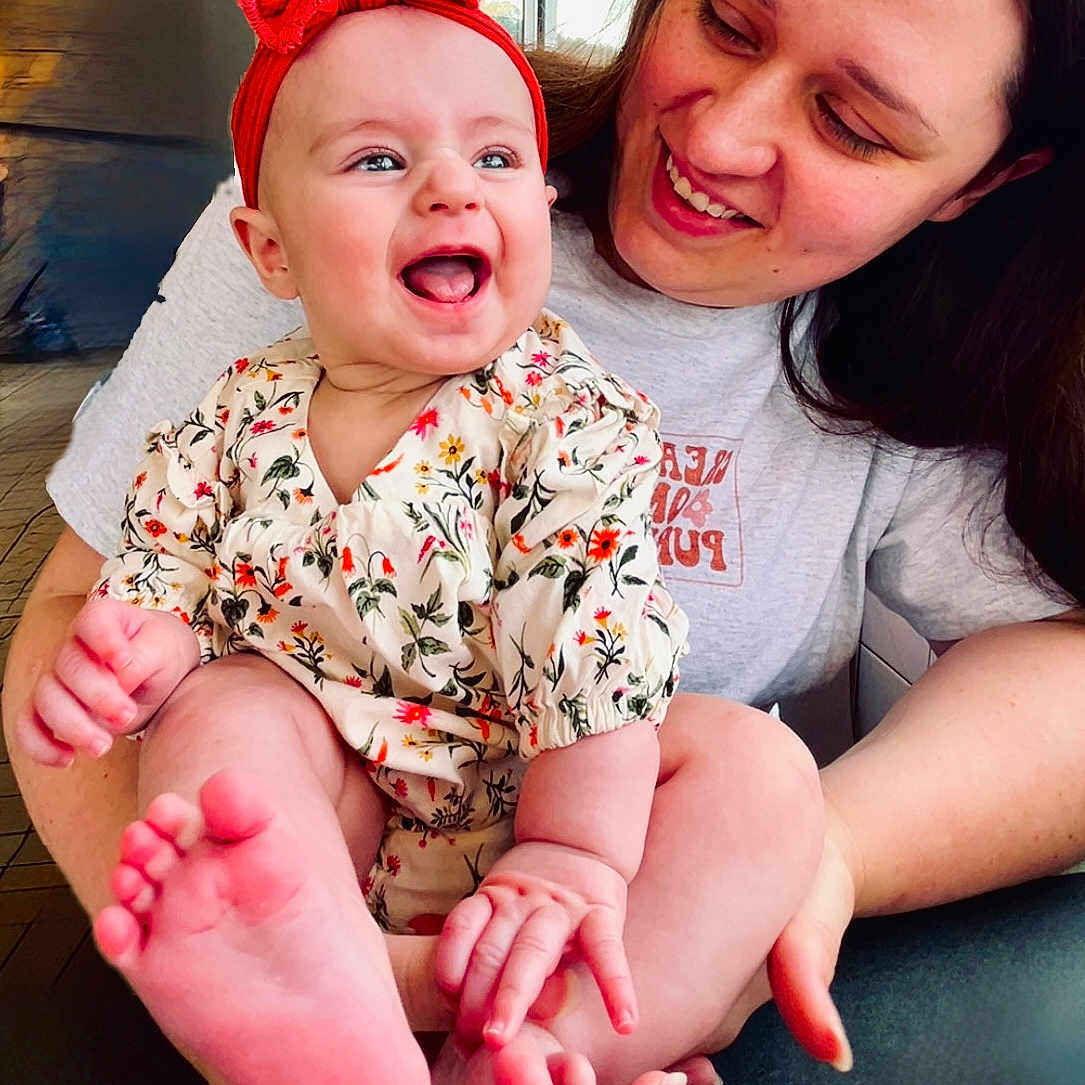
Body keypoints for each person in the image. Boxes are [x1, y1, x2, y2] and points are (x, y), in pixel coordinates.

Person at [6, 0, 1085, 1080]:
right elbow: (128, 574)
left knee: (763, 776)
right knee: (227, 716)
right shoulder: (316, 182)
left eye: (850, 125)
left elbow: (585, 626)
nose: (713, 140)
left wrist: (819, 860)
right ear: (271, 248)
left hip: (584, 856)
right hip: (325, 820)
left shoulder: (583, 413)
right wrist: (130, 656)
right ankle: (315, 1032)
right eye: (725, 23)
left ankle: (529, 1049)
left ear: (983, 181)